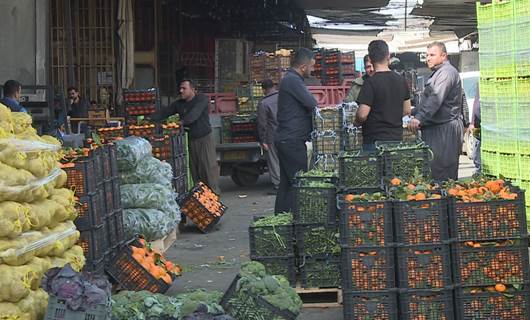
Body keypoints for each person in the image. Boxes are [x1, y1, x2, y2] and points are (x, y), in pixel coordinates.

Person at [152, 79, 220, 194]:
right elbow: (166, 112)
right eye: (180, 88)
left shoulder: (201, 99)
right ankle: (201, 197)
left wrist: (181, 122)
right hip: (190, 139)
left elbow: (194, 114)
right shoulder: (179, 103)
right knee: (195, 170)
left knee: (207, 168)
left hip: (204, 139)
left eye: (184, 88)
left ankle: (214, 196)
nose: (181, 91)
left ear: (192, 89)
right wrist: (149, 118)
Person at [409, 41, 464, 181]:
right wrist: (412, 113)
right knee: (433, 172)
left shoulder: (446, 73)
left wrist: (419, 118)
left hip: (445, 130)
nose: (428, 58)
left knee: (443, 174)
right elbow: (427, 101)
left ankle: (446, 201)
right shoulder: (438, 73)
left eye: (432, 55)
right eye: (427, 55)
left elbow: (435, 98)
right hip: (436, 129)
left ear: (444, 55)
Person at [274, 48, 319, 213]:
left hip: (287, 139)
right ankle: (296, 218)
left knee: (287, 184)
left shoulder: (291, 79)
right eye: (311, 66)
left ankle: (281, 219)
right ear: (303, 66)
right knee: (299, 182)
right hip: (292, 140)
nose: (312, 70)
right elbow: (312, 104)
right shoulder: (293, 80)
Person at [355, 40, 412, 151]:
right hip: (396, 140)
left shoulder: (370, 83)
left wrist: (356, 122)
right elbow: (407, 110)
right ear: (388, 56)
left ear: (370, 59)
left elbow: (362, 114)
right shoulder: (401, 80)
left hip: (374, 141)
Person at [257, 79, 280, 193]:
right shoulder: (282, 97)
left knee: (274, 161)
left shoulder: (263, 103)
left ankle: (277, 185)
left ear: (264, 89)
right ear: (274, 86)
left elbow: (262, 124)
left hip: (272, 136)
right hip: (285, 134)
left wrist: (263, 140)